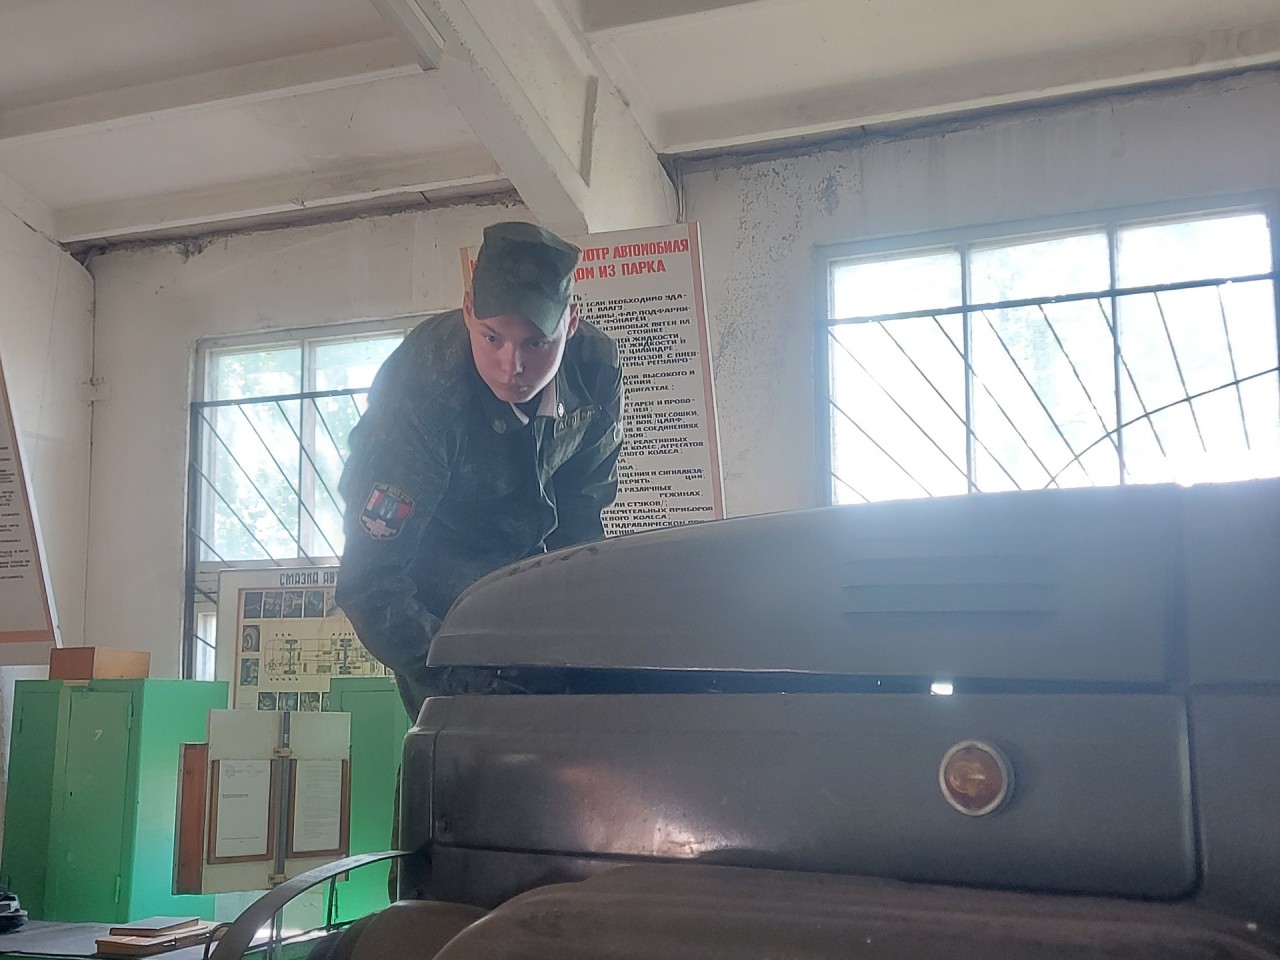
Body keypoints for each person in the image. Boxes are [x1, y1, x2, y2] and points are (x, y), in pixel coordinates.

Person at [336, 222, 624, 718]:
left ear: (571, 322)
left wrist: (583, 638)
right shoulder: (422, 393)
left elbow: (582, 517)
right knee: (469, 740)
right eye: (492, 338)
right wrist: (462, 679)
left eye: (536, 343)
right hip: (434, 596)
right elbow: (369, 583)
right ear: (468, 309)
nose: (512, 365)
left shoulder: (594, 371)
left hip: (529, 577)